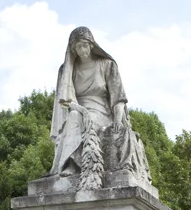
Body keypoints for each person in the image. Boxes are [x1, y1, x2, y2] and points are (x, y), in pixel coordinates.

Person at [50, 26, 150, 182]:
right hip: (79, 110)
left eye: (84, 45)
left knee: (78, 118)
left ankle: (74, 163)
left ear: (91, 44)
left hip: (103, 113)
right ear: (73, 49)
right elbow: (66, 100)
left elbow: (118, 98)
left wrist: (117, 120)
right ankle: (70, 164)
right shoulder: (67, 70)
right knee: (75, 117)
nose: (82, 50)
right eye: (78, 47)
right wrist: (80, 110)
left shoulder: (107, 65)